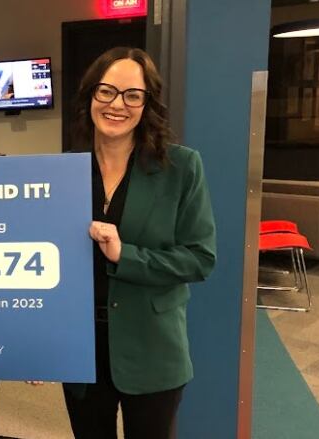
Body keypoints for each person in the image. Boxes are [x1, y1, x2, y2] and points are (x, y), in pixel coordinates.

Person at [60, 47, 216, 439]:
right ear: (90, 96)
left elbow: (200, 259)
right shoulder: (64, 169)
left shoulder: (180, 167)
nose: (117, 104)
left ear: (148, 104)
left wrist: (124, 255)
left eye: (133, 95)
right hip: (83, 346)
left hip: (152, 347)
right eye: (106, 91)